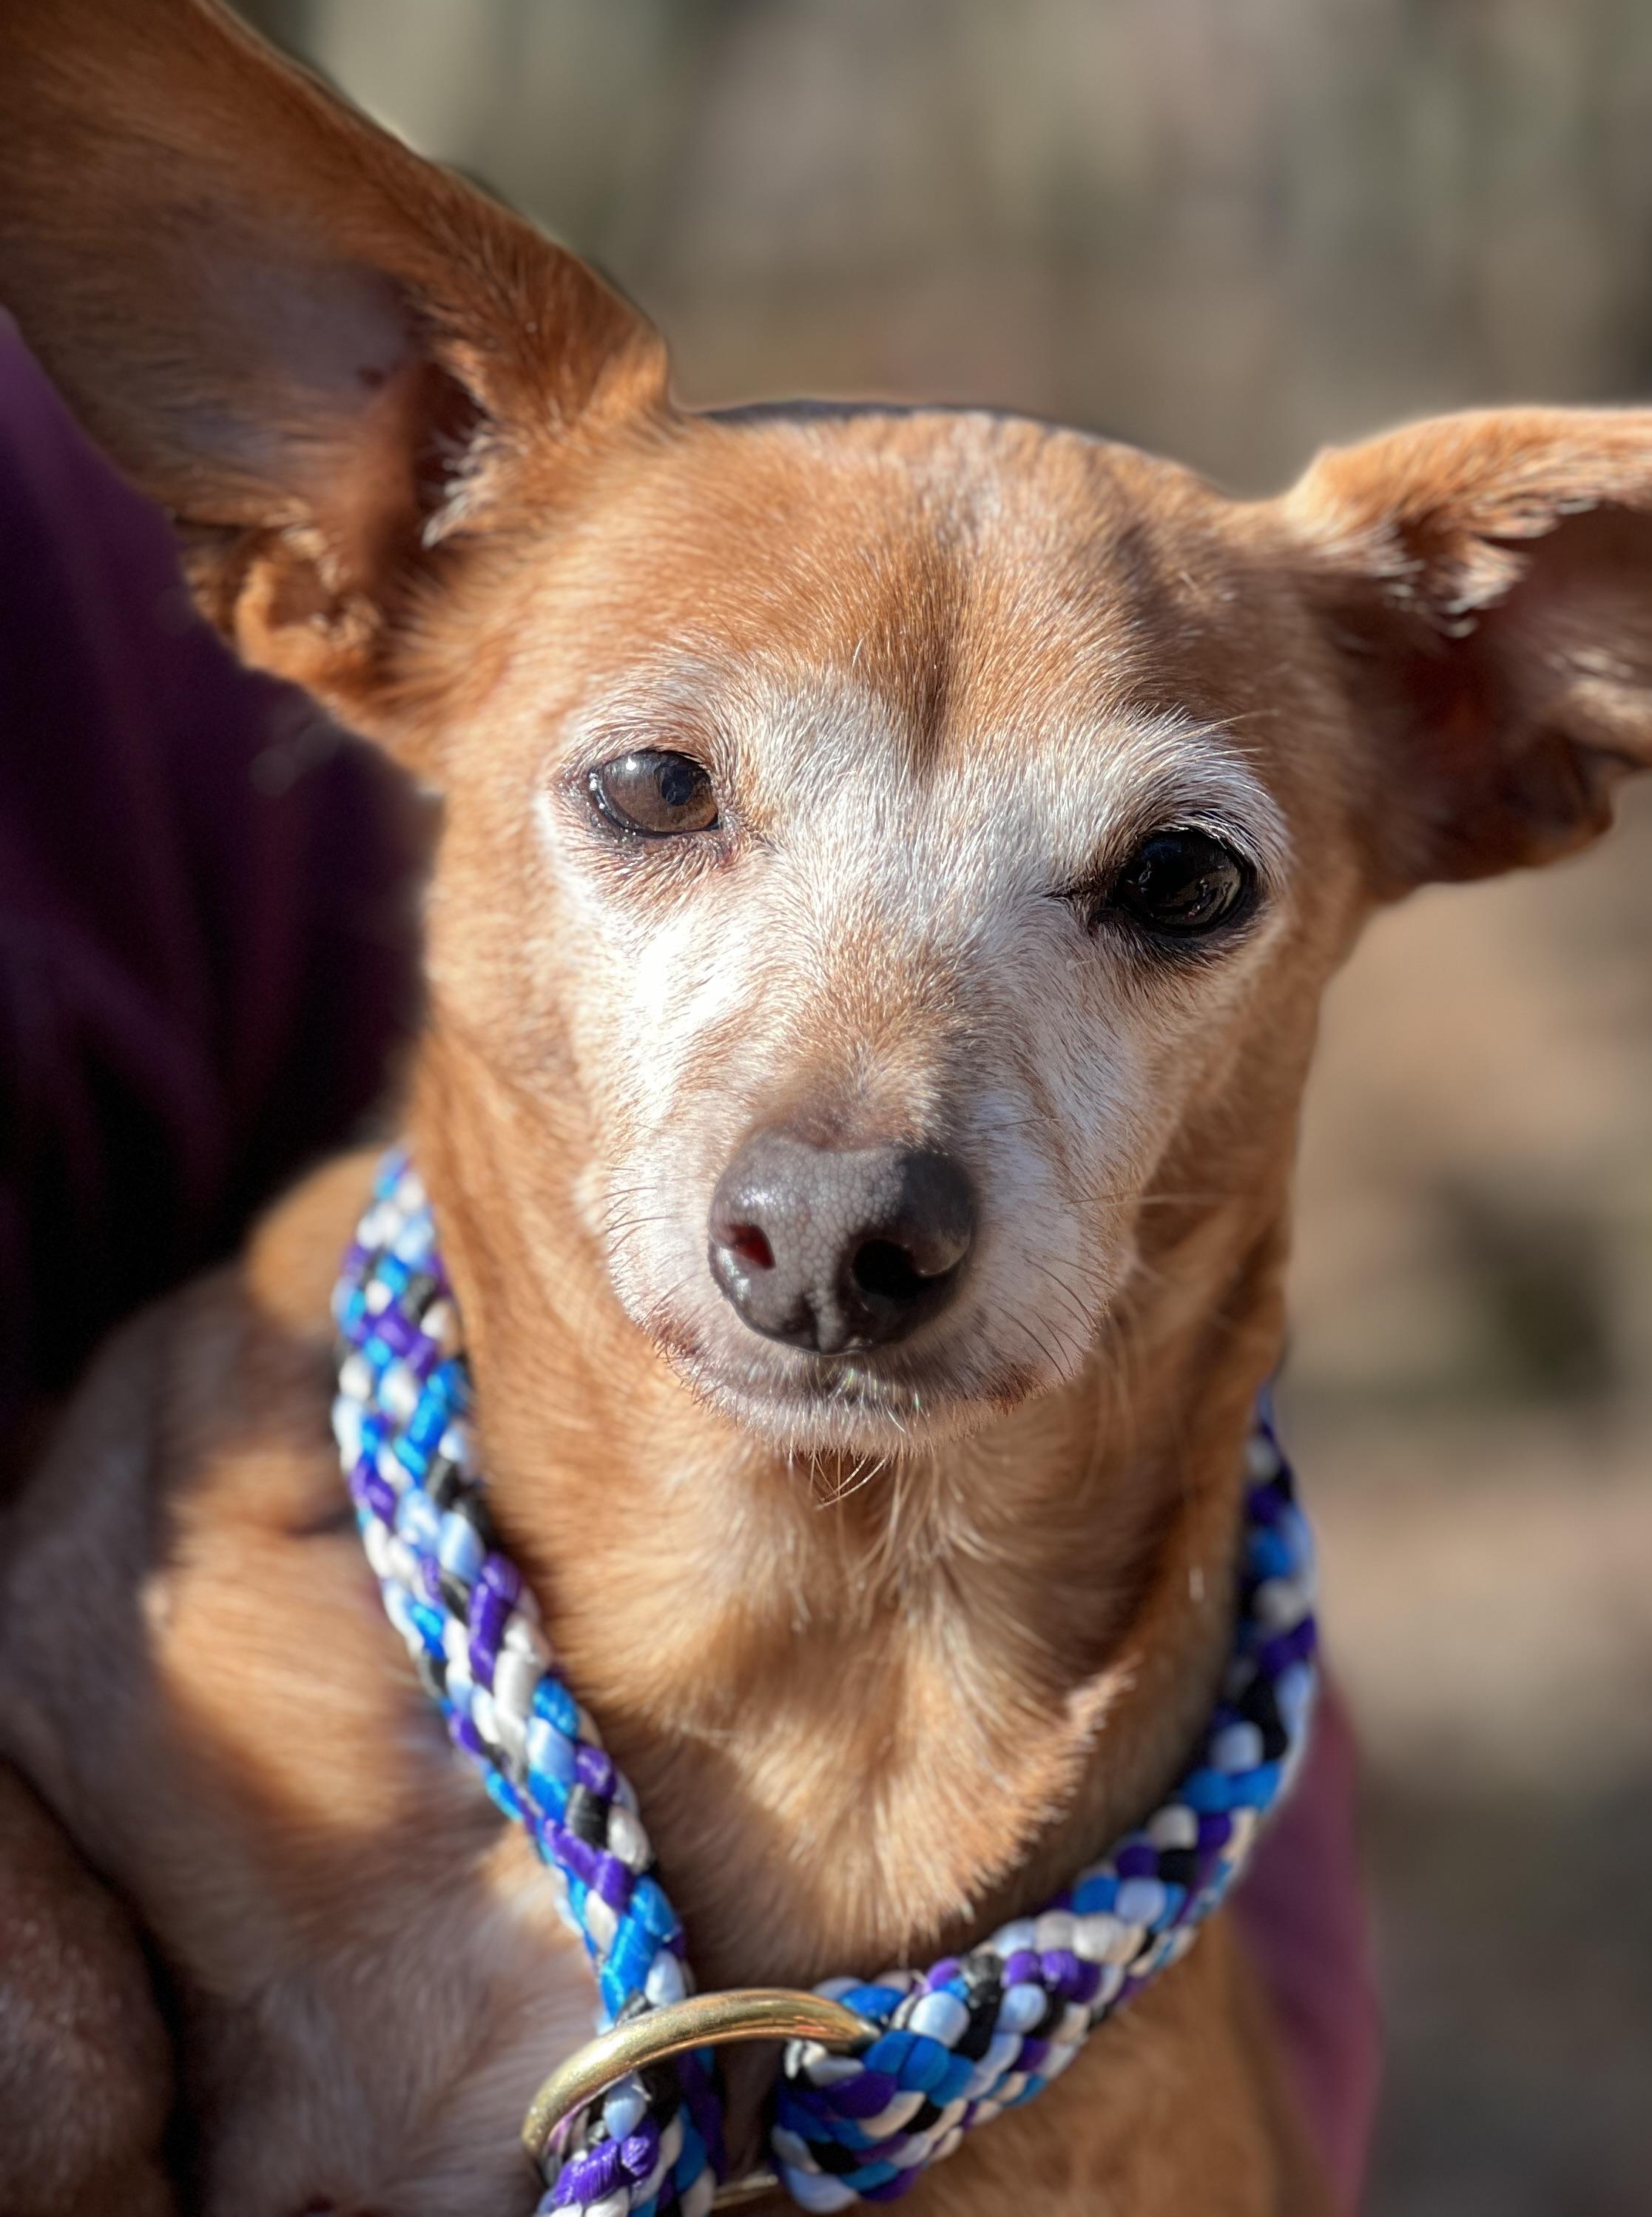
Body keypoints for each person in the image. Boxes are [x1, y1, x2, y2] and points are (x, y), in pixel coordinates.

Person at [0, 311, 1379, 2207]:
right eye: (661, 797)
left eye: (1166, 889)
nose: (851, 1190)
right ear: (373, 554)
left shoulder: (1159, 1937)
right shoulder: (139, 1582)